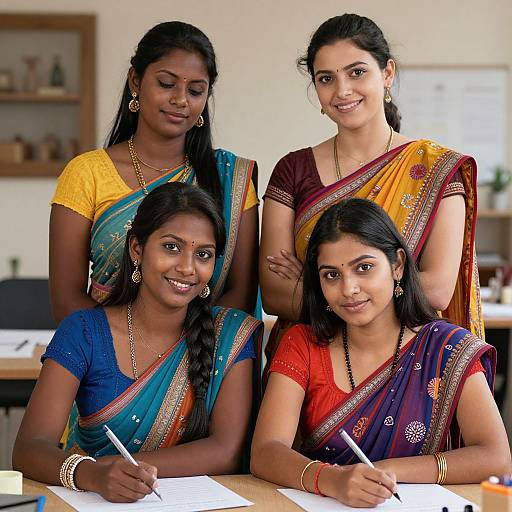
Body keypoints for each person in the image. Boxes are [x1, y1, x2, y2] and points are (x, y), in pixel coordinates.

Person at [252, 198, 509, 508]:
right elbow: (266, 451)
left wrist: (381, 473)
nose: (349, 289)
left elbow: (495, 458)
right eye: (331, 275)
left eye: (364, 268)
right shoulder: (302, 344)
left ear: (397, 265)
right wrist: (333, 480)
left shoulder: (447, 348)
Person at [14, 183, 262, 503]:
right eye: (171, 247)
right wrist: (92, 475)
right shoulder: (85, 331)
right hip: (97, 503)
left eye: (203, 254)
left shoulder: (230, 334)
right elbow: (29, 447)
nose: (187, 267)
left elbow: (225, 451)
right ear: (137, 249)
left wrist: (117, 468)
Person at [260, 13, 482, 365]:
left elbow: (438, 289)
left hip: (406, 362)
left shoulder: (435, 169)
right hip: (308, 364)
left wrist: (313, 283)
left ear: (387, 73)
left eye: (357, 72)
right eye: (326, 78)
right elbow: (273, 293)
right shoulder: (292, 170)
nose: (342, 90)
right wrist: (393, 287)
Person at [50, 21, 259, 322]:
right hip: (104, 358)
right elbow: (66, 300)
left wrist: (179, 355)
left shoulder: (230, 179)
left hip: (201, 357)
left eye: (196, 90)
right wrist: (130, 350)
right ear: (136, 81)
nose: (181, 100)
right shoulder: (86, 173)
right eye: (166, 83)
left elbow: (241, 294)